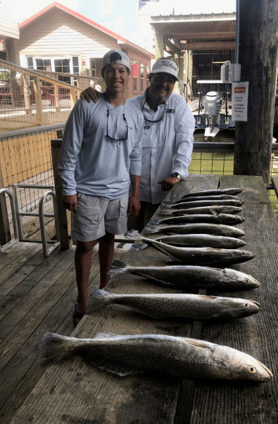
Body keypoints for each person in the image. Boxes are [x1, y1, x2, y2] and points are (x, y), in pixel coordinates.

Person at [58, 49, 143, 326]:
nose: (116, 75)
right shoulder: (86, 106)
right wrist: (68, 188)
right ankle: (83, 301)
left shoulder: (135, 113)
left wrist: (135, 193)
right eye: (111, 70)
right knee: (84, 245)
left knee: (109, 240)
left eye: (122, 70)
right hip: (88, 191)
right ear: (102, 74)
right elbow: (69, 152)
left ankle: (104, 290)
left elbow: (135, 155)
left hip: (118, 192)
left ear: (129, 76)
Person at [81, 57, 195, 232]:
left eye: (170, 80)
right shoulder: (131, 106)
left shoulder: (178, 104)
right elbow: (107, 121)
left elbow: (185, 140)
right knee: (130, 238)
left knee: (158, 240)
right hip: (131, 192)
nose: (164, 84)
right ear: (150, 78)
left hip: (163, 191)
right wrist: (94, 96)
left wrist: (177, 173)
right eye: (160, 78)